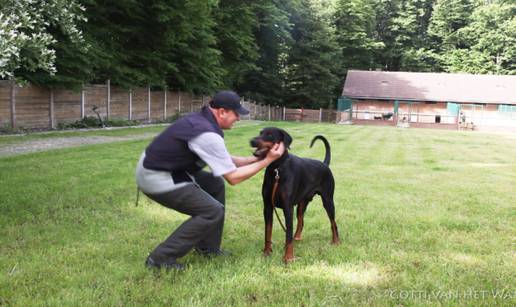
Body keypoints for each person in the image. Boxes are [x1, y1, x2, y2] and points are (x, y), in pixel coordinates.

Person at [135, 90, 284, 270]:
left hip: (163, 168)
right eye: (236, 113)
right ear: (222, 112)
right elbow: (234, 178)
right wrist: (268, 161)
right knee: (212, 211)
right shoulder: (207, 133)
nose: (238, 118)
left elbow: (222, 158)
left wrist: (253, 159)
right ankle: (160, 259)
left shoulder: (201, 121)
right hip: (156, 176)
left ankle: (207, 248)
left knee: (214, 184)